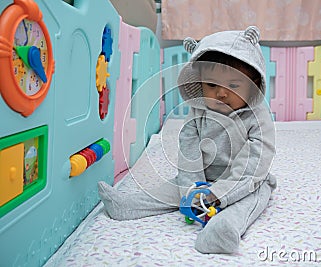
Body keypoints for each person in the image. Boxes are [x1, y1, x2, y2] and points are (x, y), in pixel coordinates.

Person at [98, 25, 277, 254]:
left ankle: (222, 230)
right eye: (212, 85)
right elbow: (189, 153)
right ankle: (128, 205)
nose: (221, 93)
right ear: (199, 82)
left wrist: (220, 193)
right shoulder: (199, 112)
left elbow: (256, 160)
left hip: (246, 183)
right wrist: (192, 190)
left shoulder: (257, 117)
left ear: (253, 85)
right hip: (203, 179)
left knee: (250, 201)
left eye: (233, 85)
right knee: (170, 189)